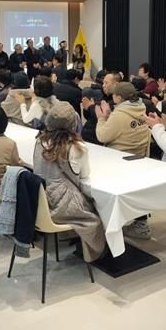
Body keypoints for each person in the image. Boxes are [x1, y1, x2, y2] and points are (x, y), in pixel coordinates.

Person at [33, 102, 106, 262]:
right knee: (99, 213)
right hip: (62, 203)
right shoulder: (78, 148)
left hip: (40, 200)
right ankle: (95, 253)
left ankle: (72, 236)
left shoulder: (40, 142)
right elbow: (84, 175)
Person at [95, 82, 149, 156]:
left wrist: (101, 118)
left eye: (113, 94)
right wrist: (110, 116)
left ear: (119, 98)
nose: (112, 95)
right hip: (140, 155)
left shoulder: (119, 115)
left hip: (120, 157)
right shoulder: (141, 108)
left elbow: (102, 137)